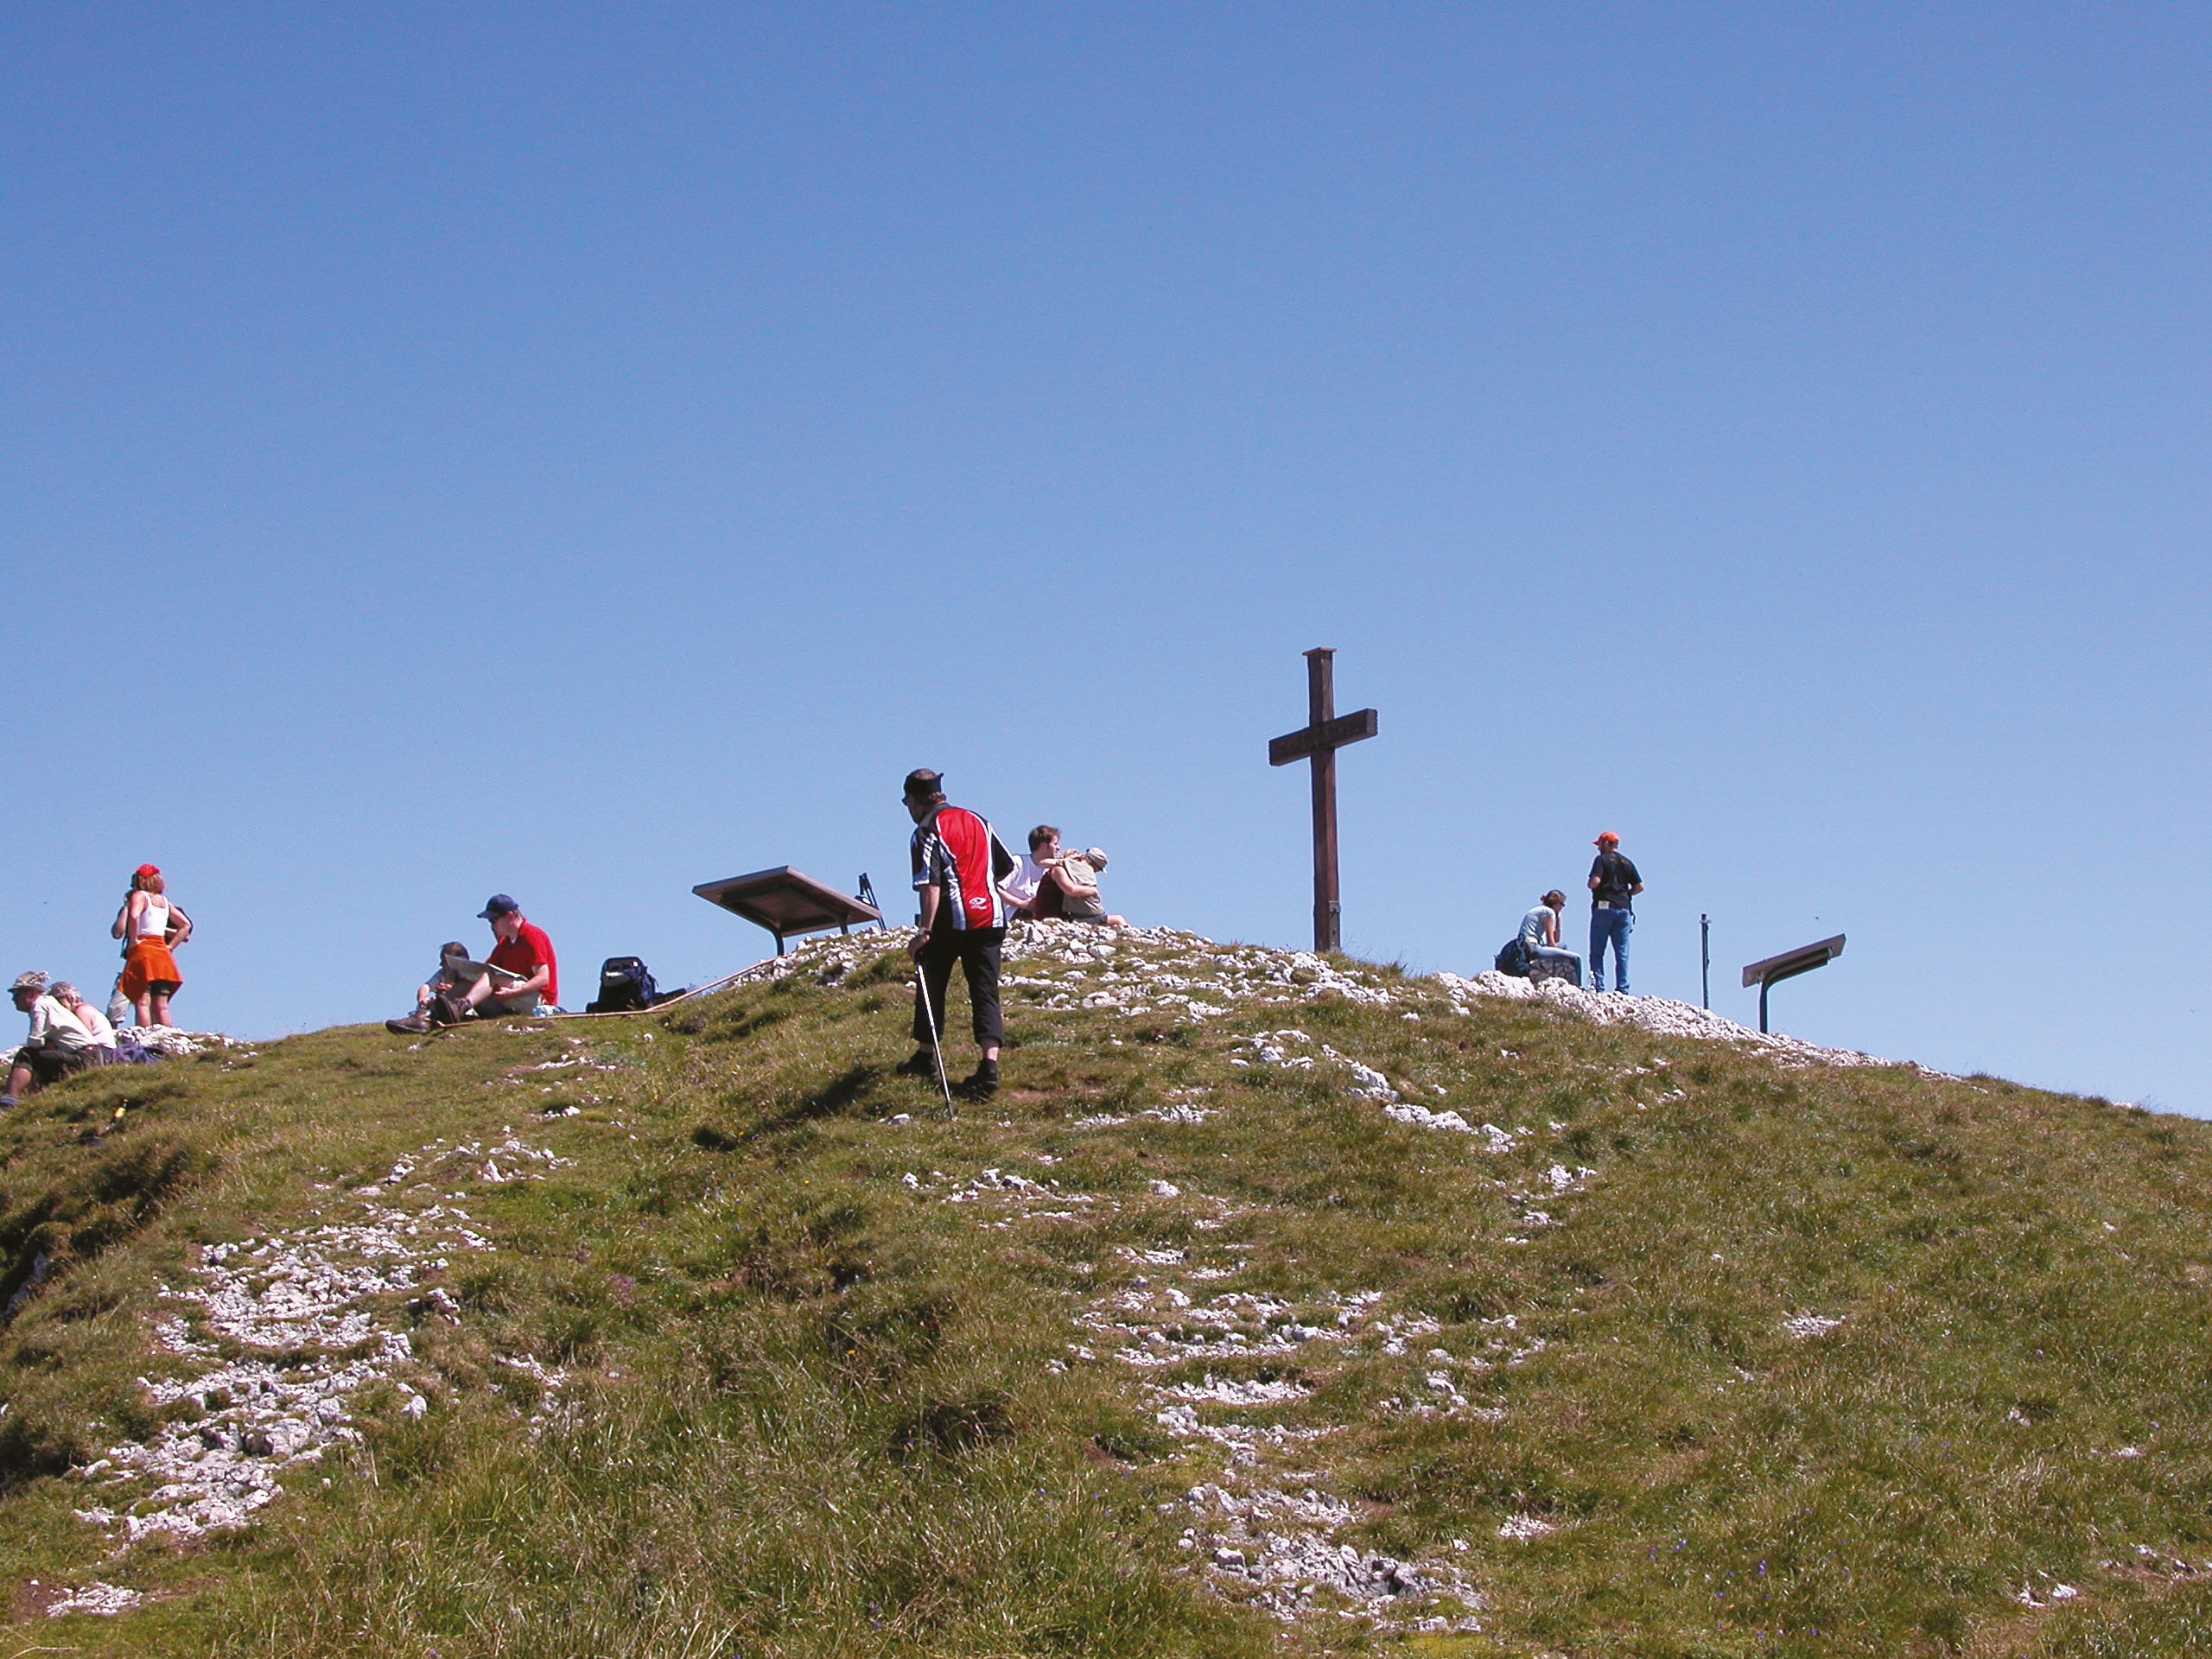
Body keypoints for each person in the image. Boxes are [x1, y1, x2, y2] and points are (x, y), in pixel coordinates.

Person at [899, 769, 1015, 1101]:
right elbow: (1005, 866)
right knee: (985, 990)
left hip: (953, 919)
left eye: (907, 802)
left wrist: (924, 931)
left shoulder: (925, 831)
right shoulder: (978, 820)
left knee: (931, 980)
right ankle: (989, 1068)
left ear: (916, 800)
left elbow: (930, 885)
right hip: (991, 918)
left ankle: (926, 1056)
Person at [2, 972, 111, 1107]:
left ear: (30, 993)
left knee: (26, 1054)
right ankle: (36, 1103)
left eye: (17, 994)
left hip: (85, 1058)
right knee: (43, 1061)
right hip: (90, 1057)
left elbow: (35, 1042)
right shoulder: (50, 1004)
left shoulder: (40, 1006)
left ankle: (9, 1100)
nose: (13, 999)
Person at [111, 863, 192, 1027]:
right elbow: (185, 926)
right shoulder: (164, 901)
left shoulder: (140, 896)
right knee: (161, 1005)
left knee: (142, 1001)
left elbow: (134, 917)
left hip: (144, 951)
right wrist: (170, 947)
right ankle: (167, 1036)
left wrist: (134, 940)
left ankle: (146, 1036)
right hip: (162, 953)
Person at [1002, 825, 1128, 926]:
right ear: (1044, 845)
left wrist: (1069, 862)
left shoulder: (1052, 868)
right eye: (1055, 844)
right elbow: (994, 888)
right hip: (1016, 913)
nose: (1058, 848)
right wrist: (1021, 903)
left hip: (1041, 913)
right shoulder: (1018, 863)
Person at [1586, 831, 1644, 994]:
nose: (1598, 848)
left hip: (1604, 908)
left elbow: (1594, 883)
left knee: (1597, 951)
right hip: (1624, 910)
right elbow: (1640, 886)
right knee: (1622, 952)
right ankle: (1623, 989)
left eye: (1600, 845)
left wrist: (1591, 883)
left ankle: (1598, 986)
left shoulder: (1601, 860)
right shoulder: (1627, 862)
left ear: (1606, 844)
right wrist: (1627, 894)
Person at [385, 942, 474, 1035]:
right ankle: (420, 1019)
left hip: (463, 1009)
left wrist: (448, 992)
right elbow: (426, 986)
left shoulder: (469, 974)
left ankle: (422, 1021)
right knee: (431, 1003)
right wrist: (422, 999)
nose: (441, 964)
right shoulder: (442, 973)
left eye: (444, 961)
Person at [1518, 891, 1583, 984]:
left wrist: (1558, 917)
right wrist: (1556, 915)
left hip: (1530, 945)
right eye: (1562, 904)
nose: (1562, 907)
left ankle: (1560, 975)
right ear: (1557, 903)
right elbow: (1551, 942)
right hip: (1533, 948)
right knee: (1576, 958)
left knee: (1562, 946)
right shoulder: (1548, 912)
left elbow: (1557, 940)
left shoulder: (1542, 910)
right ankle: (1578, 986)